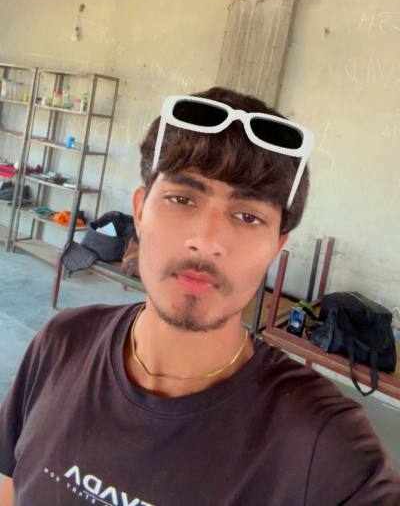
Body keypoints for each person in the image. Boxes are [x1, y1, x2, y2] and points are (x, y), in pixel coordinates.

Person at [0, 86, 399, 506]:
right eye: (182, 198)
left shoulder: (324, 444)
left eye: (247, 216)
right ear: (140, 211)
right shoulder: (62, 343)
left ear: (276, 246)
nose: (206, 241)